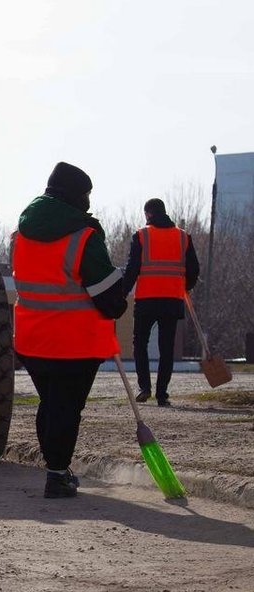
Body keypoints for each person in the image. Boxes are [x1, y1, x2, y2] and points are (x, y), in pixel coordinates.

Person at [11, 162, 128, 499]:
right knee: (65, 408)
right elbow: (108, 297)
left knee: (50, 404)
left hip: (32, 340)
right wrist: (118, 300)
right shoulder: (84, 236)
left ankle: (55, 468)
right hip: (74, 343)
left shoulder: (21, 234)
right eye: (87, 195)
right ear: (78, 196)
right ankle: (57, 474)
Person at [124, 197, 201, 406]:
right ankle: (162, 394)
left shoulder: (141, 236)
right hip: (172, 300)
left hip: (146, 300)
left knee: (140, 343)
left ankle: (144, 387)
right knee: (166, 348)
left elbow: (132, 270)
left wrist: (121, 292)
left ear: (148, 214)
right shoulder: (183, 237)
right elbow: (194, 269)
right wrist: (186, 286)